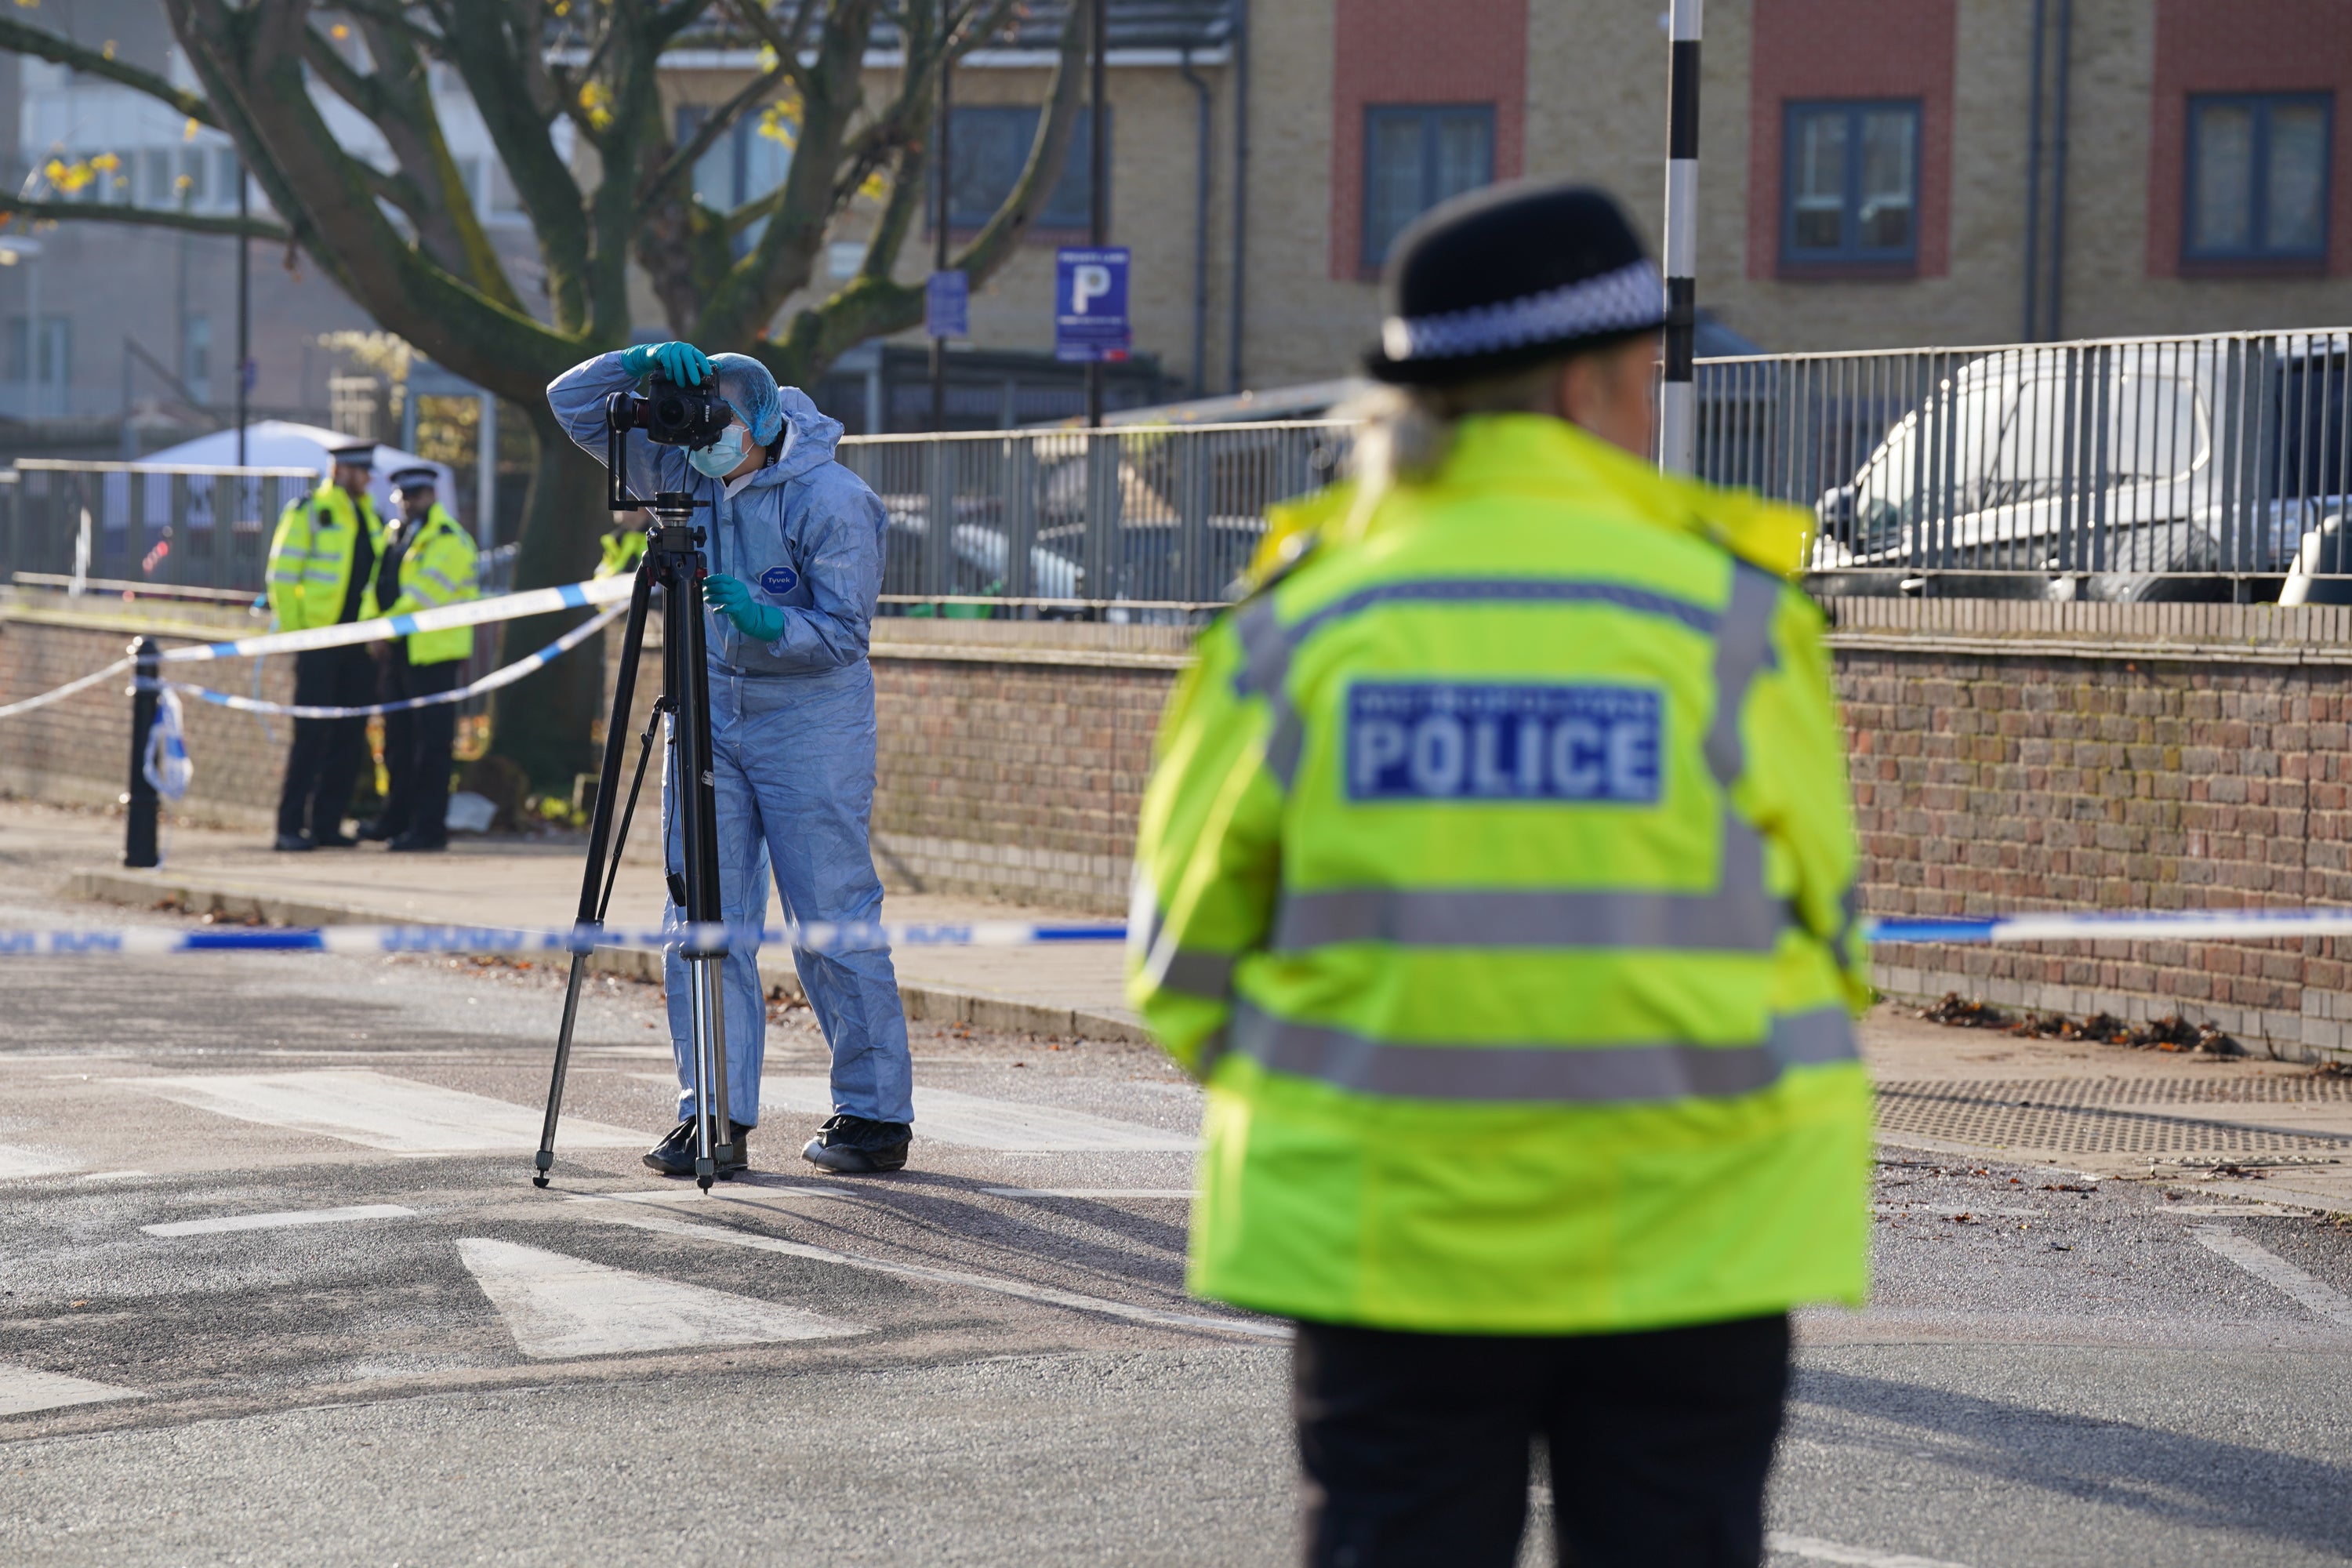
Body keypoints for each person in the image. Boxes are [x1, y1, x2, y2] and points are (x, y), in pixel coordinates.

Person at [1127, 181, 1873, 1568]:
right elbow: (1830, 937)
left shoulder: (1298, 630)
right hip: (1692, 1234)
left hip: (1384, 1239)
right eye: (1647, 376)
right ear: (1588, 386)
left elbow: (1182, 955)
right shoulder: (1732, 619)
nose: (1654, 407)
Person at [548, 342, 915, 1178]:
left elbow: (847, 635)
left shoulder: (832, 498)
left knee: (830, 914)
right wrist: (635, 362)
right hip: (708, 708)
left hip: (810, 724)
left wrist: (768, 622)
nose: (701, 438)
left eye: (718, 423)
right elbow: (571, 406)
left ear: (765, 421)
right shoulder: (682, 469)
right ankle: (712, 1111)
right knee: (703, 915)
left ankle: (873, 1110)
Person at [265, 441, 385, 852]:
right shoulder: (309, 511)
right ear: (341, 470)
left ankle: (327, 825)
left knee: (349, 736)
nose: (368, 478)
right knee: (311, 736)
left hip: (356, 643)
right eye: (362, 471)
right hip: (317, 640)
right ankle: (289, 826)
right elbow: (282, 574)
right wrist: (299, 634)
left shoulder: (368, 514)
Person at [358, 466, 477, 853]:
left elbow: (423, 598)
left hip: (433, 655)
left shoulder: (449, 540)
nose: (410, 504)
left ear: (431, 497)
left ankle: (428, 829)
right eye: (404, 498)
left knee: (431, 746)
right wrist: (370, 627)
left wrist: (380, 629)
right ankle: (395, 819)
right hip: (399, 652)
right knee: (397, 742)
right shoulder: (396, 536)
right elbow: (377, 587)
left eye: (417, 496)